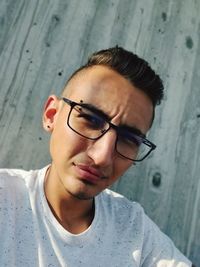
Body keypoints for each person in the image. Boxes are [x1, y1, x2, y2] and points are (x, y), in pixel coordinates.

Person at [0, 47, 193, 266]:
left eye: (129, 138)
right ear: (51, 115)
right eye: (90, 120)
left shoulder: (133, 228)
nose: (103, 157)